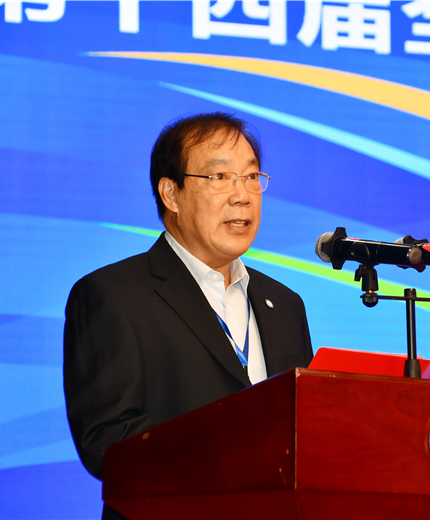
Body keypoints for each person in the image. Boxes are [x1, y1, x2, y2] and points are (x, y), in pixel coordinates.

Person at [63, 113, 314, 518]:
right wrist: (238, 463)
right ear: (171, 194)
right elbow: (108, 443)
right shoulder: (113, 296)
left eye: (251, 177)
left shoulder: (284, 304)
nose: (242, 195)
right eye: (220, 177)